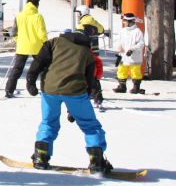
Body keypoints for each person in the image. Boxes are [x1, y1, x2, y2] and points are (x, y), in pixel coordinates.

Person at [25, 29, 113, 175]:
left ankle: (41, 155)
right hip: (75, 91)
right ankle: (96, 160)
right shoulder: (86, 51)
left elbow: (39, 61)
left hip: (50, 89)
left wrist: (31, 80)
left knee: (48, 122)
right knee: (90, 125)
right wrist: (87, 96)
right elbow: (90, 78)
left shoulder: (54, 42)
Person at [4, 0, 47, 98]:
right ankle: (45, 89)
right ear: (36, 5)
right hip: (37, 47)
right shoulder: (38, 16)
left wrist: (19, 41)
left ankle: (9, 90)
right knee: (43, 68)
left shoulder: (19, 16)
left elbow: (14, 33)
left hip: (22, 46)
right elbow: (42, 33)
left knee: (17, 69)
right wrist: (46, 43)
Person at [75, 5, 105, 108]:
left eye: (78, 14)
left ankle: (91, 94)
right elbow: (102, 30)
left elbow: (77, 38)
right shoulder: (94, 22)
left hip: (85, 53)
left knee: (85, 74)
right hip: (95, 52)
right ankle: (97, 95)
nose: (77, 16)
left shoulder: (81, 25)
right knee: (94, 74)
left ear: (82, 13)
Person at [113, 13, 145, 94]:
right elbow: (119, 41)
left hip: (134, 56)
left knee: (135, 71)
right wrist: (119, 50)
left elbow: (141, 43)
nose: (123, 22)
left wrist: (132, 49)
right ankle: (122, 86)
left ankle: (136, 87)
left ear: (130, 21)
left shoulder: (137, 32)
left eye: (125, 21)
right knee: (121, 70)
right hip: (123, 56)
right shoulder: (123, 31)